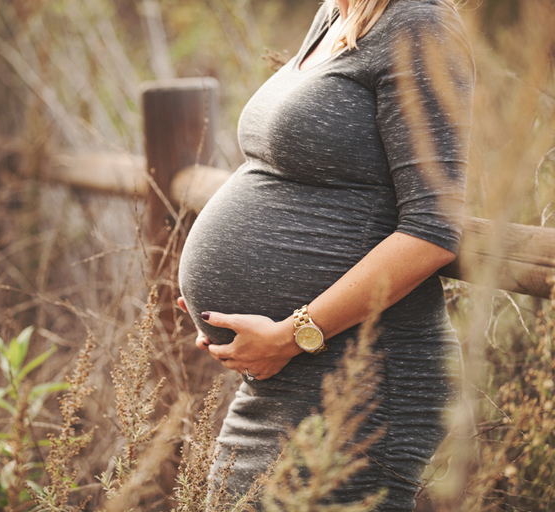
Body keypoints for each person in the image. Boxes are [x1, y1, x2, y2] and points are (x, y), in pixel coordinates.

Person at [176, 0, 475, 509]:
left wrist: (290, 335)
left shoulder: (419, 24)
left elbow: (433, 231)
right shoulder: (338, 15)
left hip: (363, 374)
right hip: (290, 372)